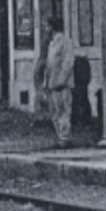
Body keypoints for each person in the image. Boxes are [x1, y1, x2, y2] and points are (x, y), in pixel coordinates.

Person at [35, 17, 75, 148]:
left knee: (64, 110)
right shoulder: (51, 43)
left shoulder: (64, 42)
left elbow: (68, 62)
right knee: (55, 112)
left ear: (52, 27)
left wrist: (61, 80)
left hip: (61, 84)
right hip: (51, 82)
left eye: (47, 26)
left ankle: (65, 138)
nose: (45, 30)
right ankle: (60, 137)